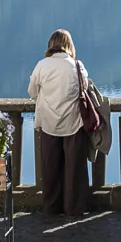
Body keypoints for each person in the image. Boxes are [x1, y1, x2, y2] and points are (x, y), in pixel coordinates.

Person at [27, 30, 90, 217]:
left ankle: (51, 207)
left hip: (49, 123)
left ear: (51, 44)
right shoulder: (77, 66)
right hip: (73, 122)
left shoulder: (42, 65)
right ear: (69, 45)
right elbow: (84, 88)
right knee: (74, 168)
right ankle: (74, 208)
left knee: (50, 167)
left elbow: (32, 92)